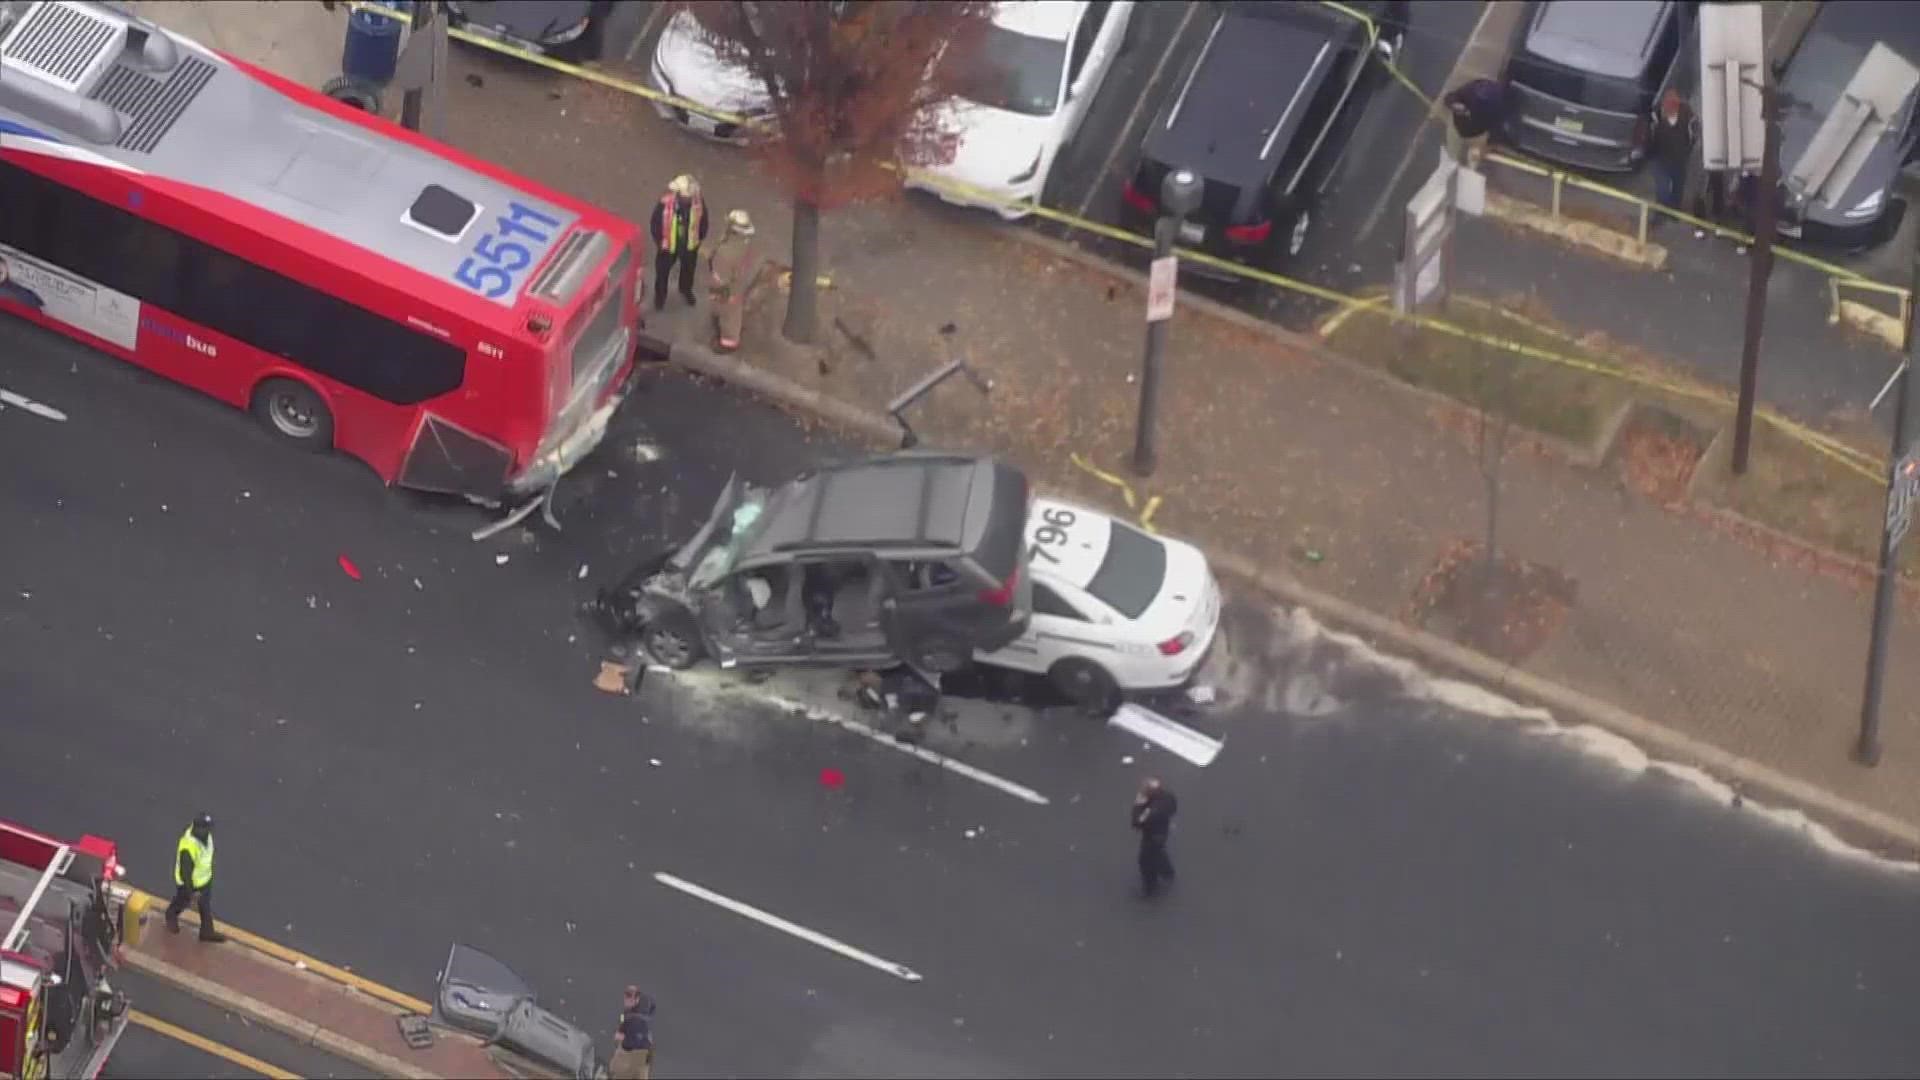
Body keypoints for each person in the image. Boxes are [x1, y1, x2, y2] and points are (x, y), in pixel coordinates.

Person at [706, 209, 768, 354]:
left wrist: (717, 288)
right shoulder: (745, 244)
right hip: (738, 283)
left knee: (728, 313)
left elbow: (720, 277)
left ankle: (728, 342)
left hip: (727, 287)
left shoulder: (726, 251)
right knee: (734, 310)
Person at [165, 812, 227, 942]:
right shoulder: (188, 847)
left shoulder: (206, 836)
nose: (209, 830)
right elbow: (185, 873)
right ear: (198, 828)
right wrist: (191, 892)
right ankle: (171, 916)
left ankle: (206, 932)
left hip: (204, 880)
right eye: (206, 827)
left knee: (205, 906)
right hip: (189, 884)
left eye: (209, 827)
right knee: (182, 902)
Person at [649, 174, 708, 311]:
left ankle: (685, 289)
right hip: (668, 247)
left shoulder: (698, 202)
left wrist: (699, 239)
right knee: (662, 274)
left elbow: (703, 221)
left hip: (689, 246)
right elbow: (655, 224)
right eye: (686, 195)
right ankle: (660, 298)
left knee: (688, 270)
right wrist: (660, 242)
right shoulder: (664, 204)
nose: (689, 198)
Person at [1442, 76, 1509, 166]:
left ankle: (1465, 170)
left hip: (1477, 137)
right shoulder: (1471, 90)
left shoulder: (1497, 109)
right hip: (1457, 127)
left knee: (1471, 163)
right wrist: (1455, 104)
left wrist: (1483, 150)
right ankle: (1451, 164)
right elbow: (1450, 97)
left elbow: (1495, 136)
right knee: (1451, 156)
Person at [1131, 777, 1178, 897]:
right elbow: (1173, 808)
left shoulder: (1150, 810)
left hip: (1152, 835)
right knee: (1159, 852)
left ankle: (1150, 887)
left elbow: (1137, 823)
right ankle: (1167, 872)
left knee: (1146, 861)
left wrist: (1138, 805)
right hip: (1162, 831)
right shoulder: (1168, 797)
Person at [1650, 89, 1694, 212]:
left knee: (1677, 188)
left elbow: (1692, 138)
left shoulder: (1687, 118)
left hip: (1679, 160)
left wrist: (1685, 153)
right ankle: (1660, 212)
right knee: (1662, 189)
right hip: (1660, 159)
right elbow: (1652, 137)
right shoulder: (1657, 117)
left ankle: (1674, 212)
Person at [610, 985, 656, 1080]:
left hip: (637, 1055)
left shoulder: (638, 1019)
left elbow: (636, 1041)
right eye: (626, 996)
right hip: (627, 1053)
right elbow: (621, 1022)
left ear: (637, 999)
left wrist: (623, 1038)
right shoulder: (625, 1013)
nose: (627, 999)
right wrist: (619, 1031)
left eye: (630, 997)